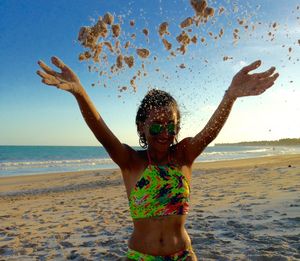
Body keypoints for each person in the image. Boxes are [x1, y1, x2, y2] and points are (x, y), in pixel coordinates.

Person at [37, 56, 279, 260]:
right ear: (142, 127)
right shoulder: (131, 161)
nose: (164, 134)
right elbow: (101, 130)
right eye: (156, 127)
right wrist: (79, 92)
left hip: (183, 255)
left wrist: (231, 95)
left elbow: (210, 131)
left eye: (170, 126)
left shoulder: (184, 155)